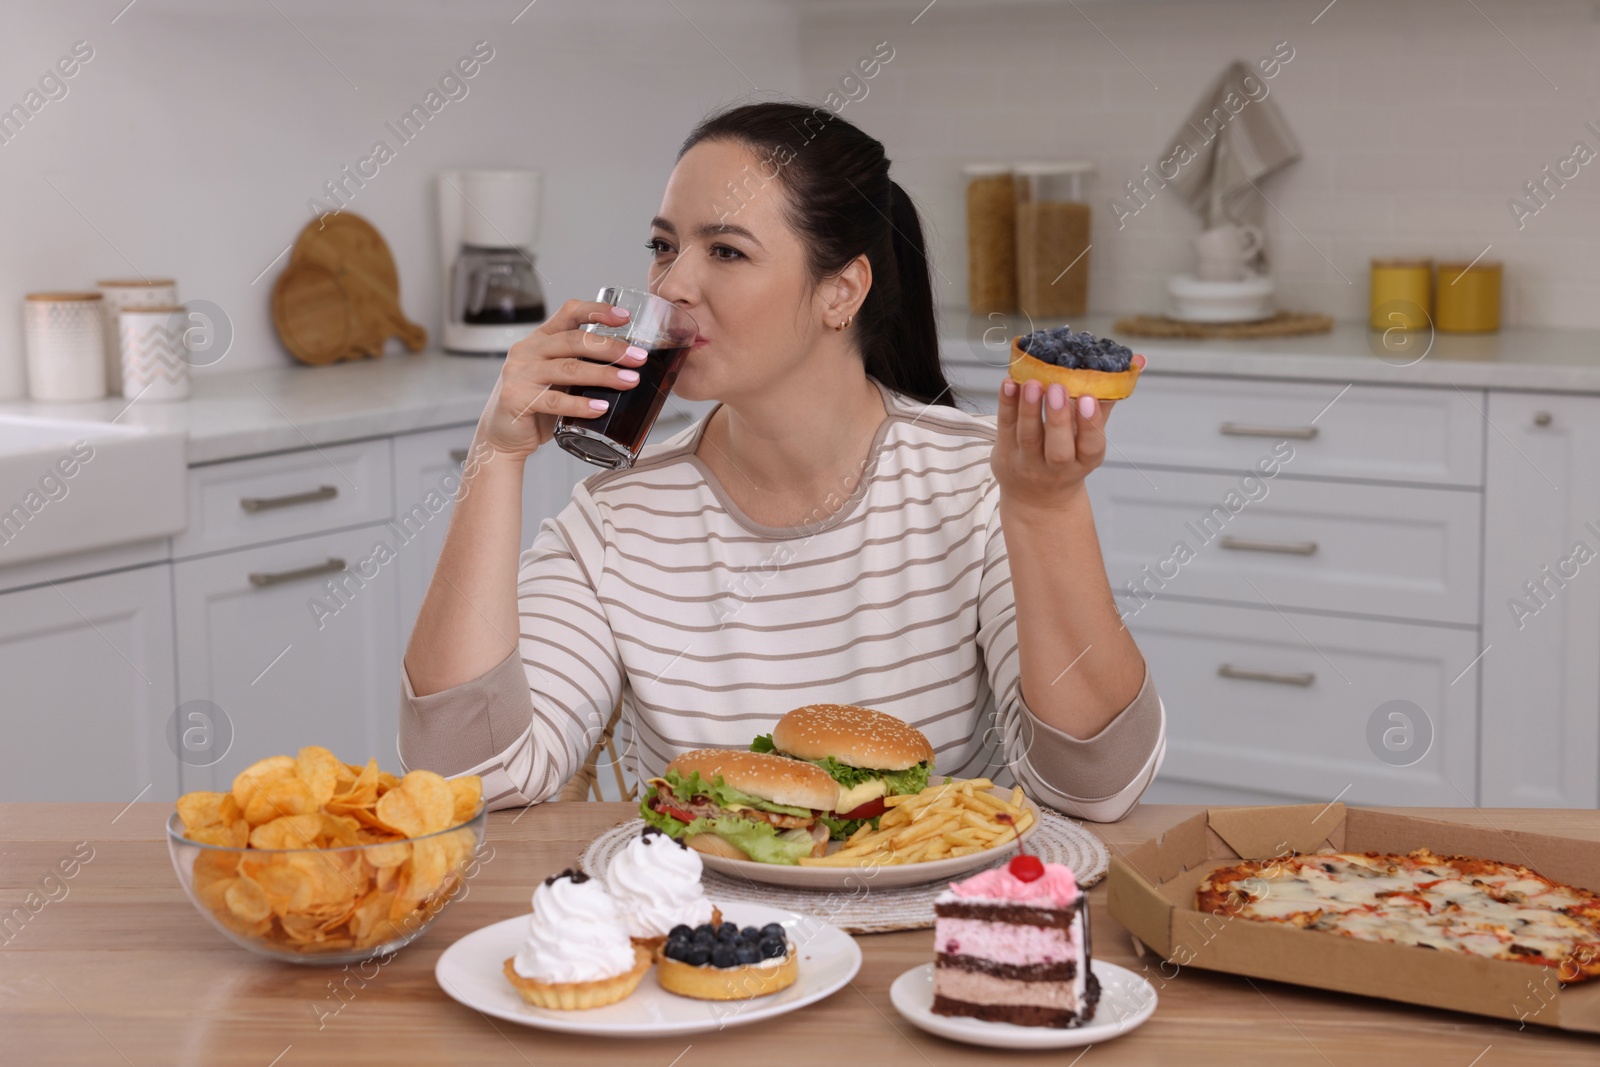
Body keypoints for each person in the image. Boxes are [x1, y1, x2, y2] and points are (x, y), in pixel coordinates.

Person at [399, 100, 1163, 820]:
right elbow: (471, 779)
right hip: (708, 937)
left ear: (841, 291)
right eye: (664, 247)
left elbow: (1096, 787)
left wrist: (1046, 509)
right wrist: (495, 456)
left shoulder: (980, 485)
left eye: (726, 251)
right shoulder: (618, 516)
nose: (673, 285)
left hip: (939, 940)